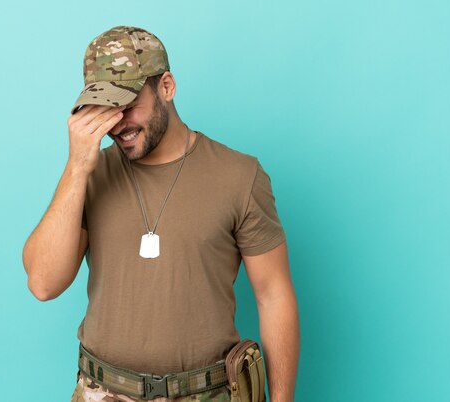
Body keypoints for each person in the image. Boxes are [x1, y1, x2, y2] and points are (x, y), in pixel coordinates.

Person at [22, 25, 300, 402]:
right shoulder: (89, 174)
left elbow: (274, 296)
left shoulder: (240, 176)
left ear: (166, 87)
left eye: (128, 105)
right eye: (104, 110)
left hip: (205, 393)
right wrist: (76, 168)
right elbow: (43, 283)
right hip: (103, 392)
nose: (117, 124)